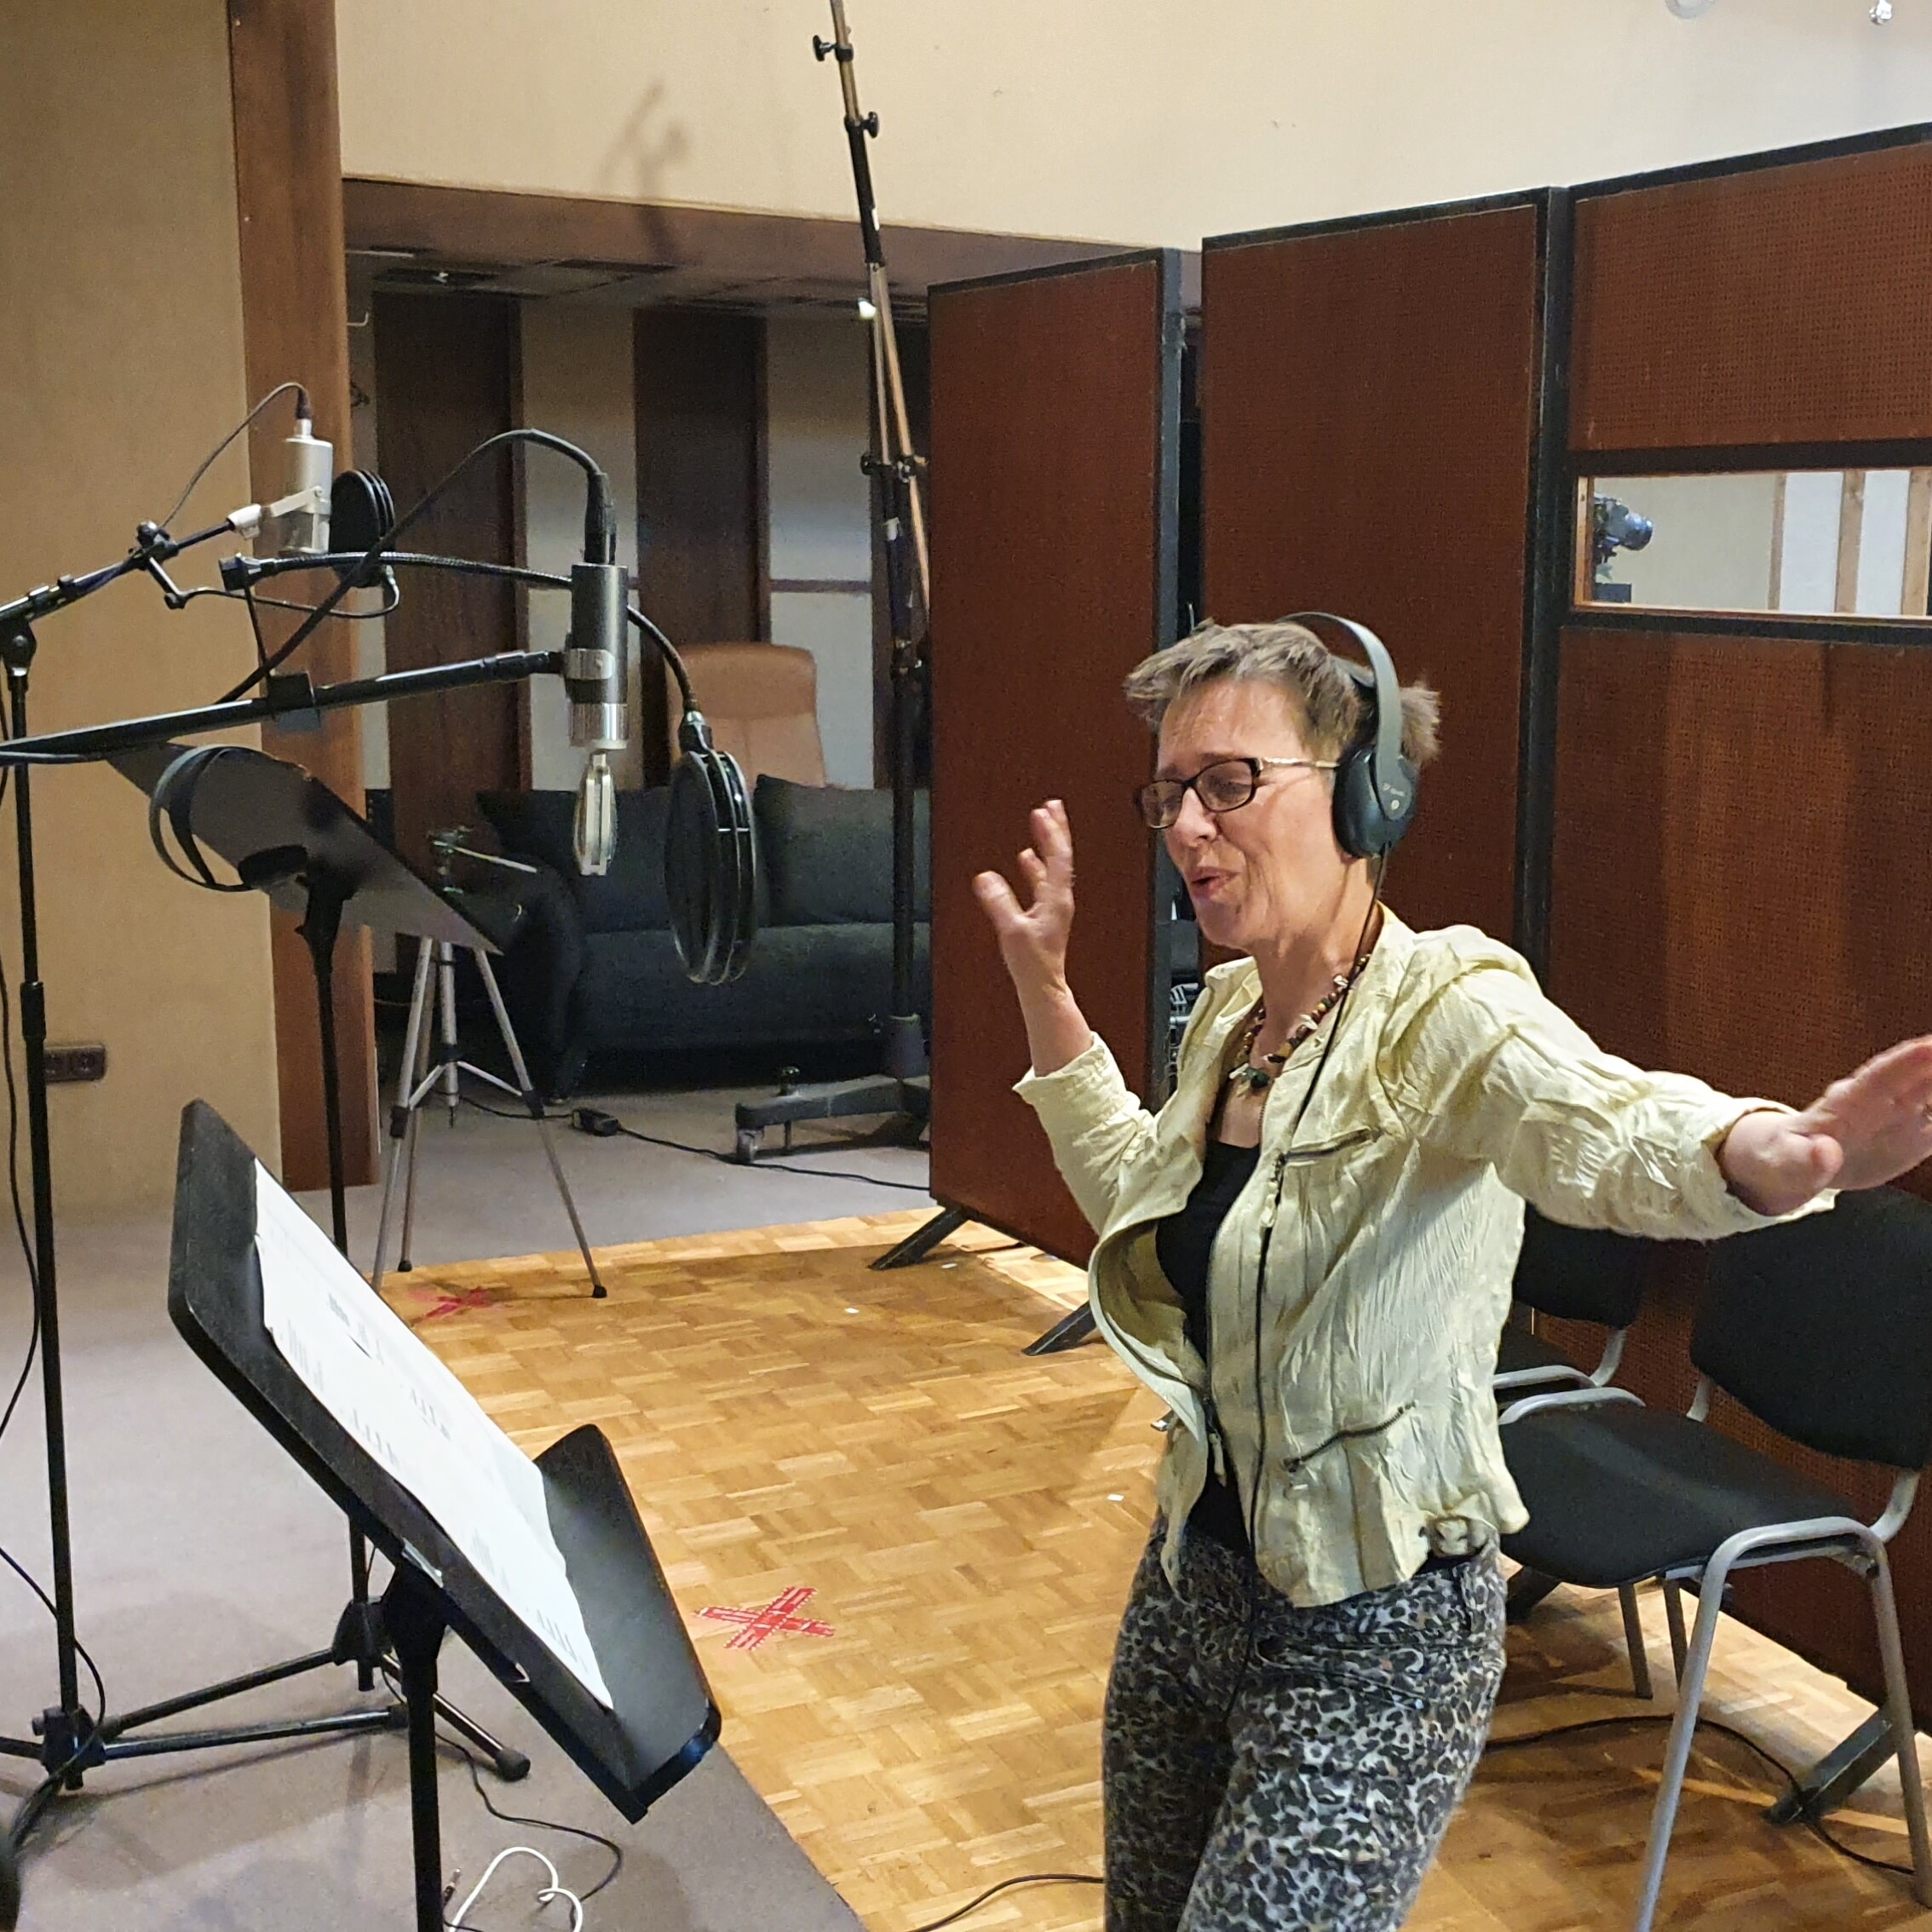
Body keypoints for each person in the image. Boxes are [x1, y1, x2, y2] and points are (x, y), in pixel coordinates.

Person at [970, 619, 1932, 1932]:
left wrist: (1765, 1151)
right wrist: (1044, 990)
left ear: (1364, 797)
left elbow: (1604, 1124)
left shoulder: (1447, 1006)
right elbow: (1140, 1203)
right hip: (1190, 1593)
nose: (1189, 827)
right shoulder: (1234, 1019)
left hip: (1376, 1636)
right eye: (1171, 793)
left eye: (1230, 783)